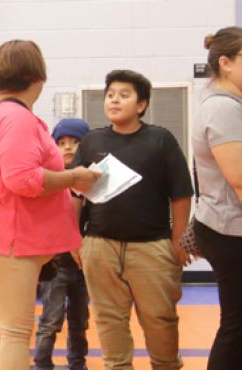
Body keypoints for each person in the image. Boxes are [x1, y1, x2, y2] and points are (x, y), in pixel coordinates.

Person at [0, 40, 100, 370]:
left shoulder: (2, 114)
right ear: (37, 76)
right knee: (15, 330)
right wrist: (72, 177)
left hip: (0, 235)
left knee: (8, 327)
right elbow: (23, 180)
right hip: (9, 237)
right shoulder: (15, 118)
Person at [73, 70, 192, 370]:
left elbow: (180, 194)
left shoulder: (160, 140)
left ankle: (166, 364)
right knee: (108, 320)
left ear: (141, 105)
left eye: (124, 95)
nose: (115, 100)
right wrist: (75, 238)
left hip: (152, 247)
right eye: (110, 95)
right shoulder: (91, 141)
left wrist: (179, 240)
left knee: (160, 318)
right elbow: (76, 195)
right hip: (100, 246)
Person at [190, 28, 242, 370]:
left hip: (226, 225)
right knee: (237, 327)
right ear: (226, 63)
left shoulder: (229, 104)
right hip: (230, 230)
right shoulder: (223, 108)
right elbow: (239, 179)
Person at [34, 118, 91, 370]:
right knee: (50, 319)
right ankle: (42, 362)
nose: (68, 148)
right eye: (62, 143)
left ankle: (77, 362)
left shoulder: (91, 183)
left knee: (80, 318)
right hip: (55, 262)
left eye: (75, 142)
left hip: (82, 265)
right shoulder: (51, 182)